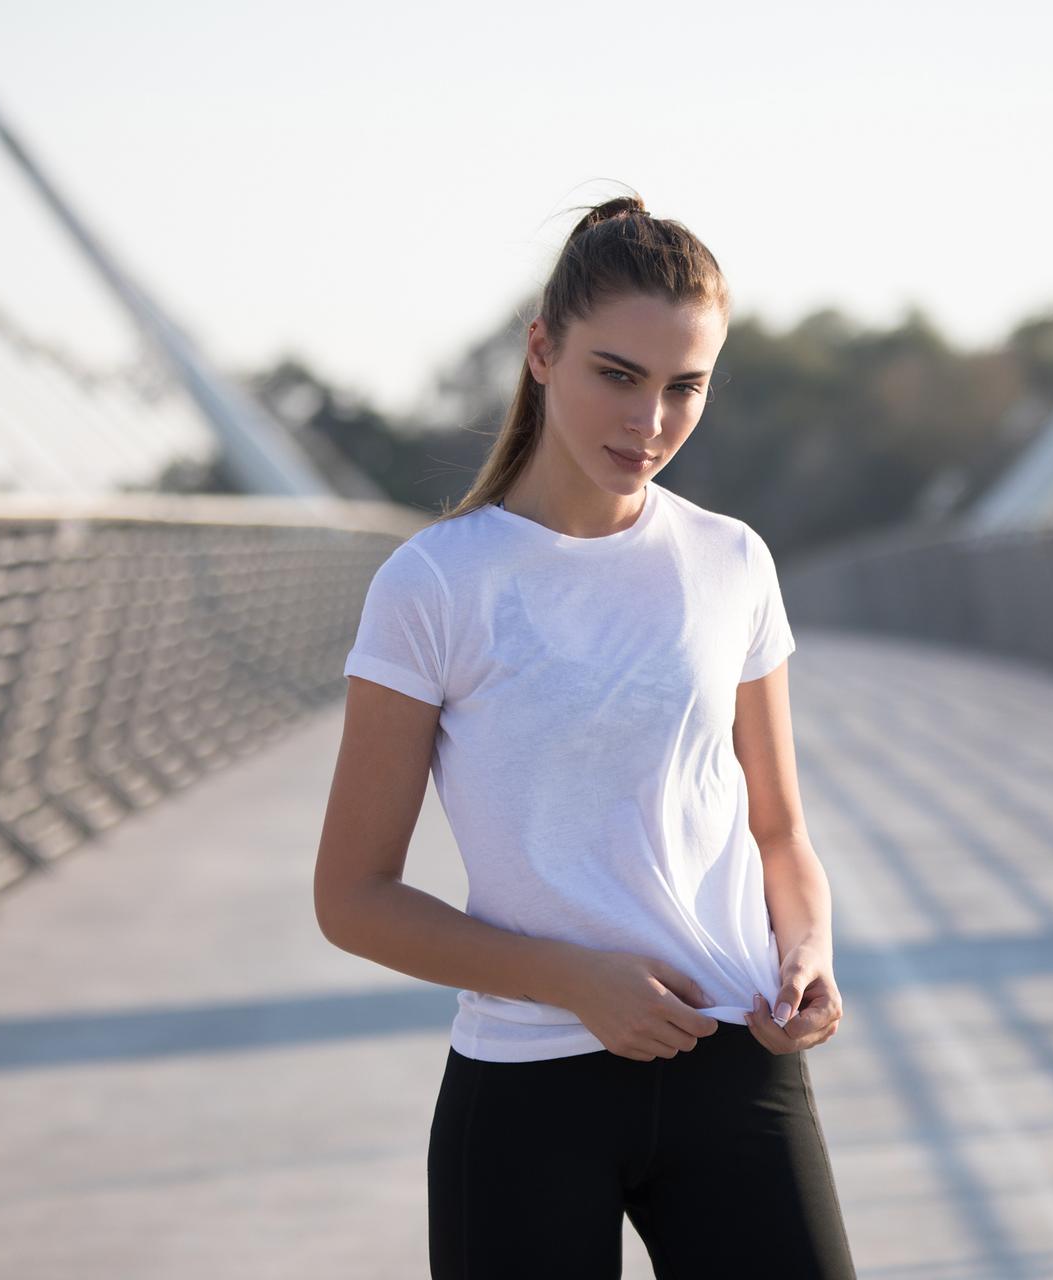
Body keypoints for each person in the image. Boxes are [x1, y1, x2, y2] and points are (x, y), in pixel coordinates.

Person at [314, 190, 857, 1279]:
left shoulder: (732, 562)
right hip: (527, 1091)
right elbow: (353, 897)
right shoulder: (436, 585)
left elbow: (779, 830)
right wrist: (573, 979)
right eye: (618, 374)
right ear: (541, 352)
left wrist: (807, 949)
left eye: (684, 386)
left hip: (733, 1064)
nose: (649, 420)